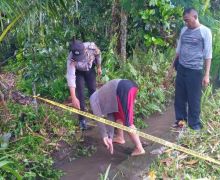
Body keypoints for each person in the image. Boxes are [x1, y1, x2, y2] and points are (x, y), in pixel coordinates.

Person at [170, 8, 212, 130]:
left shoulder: (205, 32)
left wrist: (207, 75)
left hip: (195, 71)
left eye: (188, 20)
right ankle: (180, 121)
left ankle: (194, 125)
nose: (186, 23)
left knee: (194, 99)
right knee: (179, 97)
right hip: (181, 68)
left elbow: (208, 54)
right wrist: (171, 68)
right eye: (184, 21)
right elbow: (178, 51)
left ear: (195, 16)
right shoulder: (184, 30)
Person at [89, 79, 145, 156]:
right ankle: (120, 137)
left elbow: (99, 119)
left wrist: (104, 136)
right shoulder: (104, 98)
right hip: (126, 87)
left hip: (123, 89)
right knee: (118, 116)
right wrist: (110, 137)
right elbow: (111, 117)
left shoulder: (93, 100)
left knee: (127, 122)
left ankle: (139, 148)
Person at [66, 39, 102, 130]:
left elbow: (98, 54)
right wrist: (73, 97)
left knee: (93, 91)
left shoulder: (92, 47)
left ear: (85, 50)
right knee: (80, 95)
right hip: (78, 73)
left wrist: (99, 67)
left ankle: (97, 113)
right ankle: (82, 120)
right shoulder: (71, 58)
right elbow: (71, 76)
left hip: (89, 69)